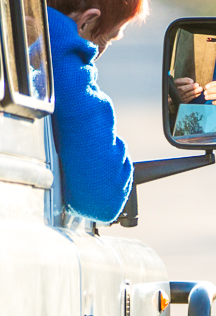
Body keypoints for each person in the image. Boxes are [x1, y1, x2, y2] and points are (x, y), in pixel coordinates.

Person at [45, 0, 149, 222]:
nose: (99, 53)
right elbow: (102, 199)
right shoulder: (62, 57)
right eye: (107, 39)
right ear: (86, 22)